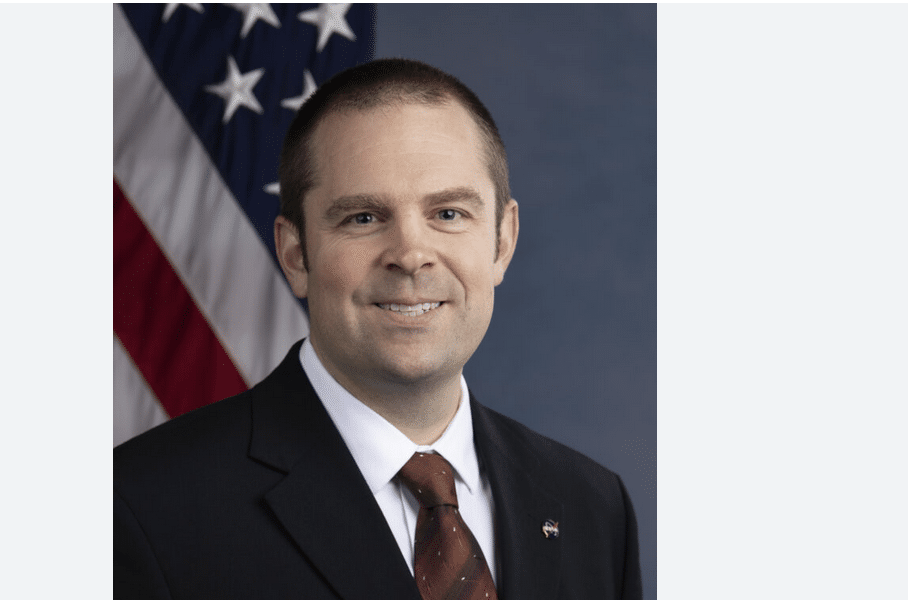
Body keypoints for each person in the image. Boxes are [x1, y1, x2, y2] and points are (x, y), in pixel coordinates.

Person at [114, 58, 642, 600]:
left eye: (449, 213)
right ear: (295, 254)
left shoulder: (592, 509)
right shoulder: (141, 509)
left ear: (502, 242)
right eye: (363, 218)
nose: (412, 255)